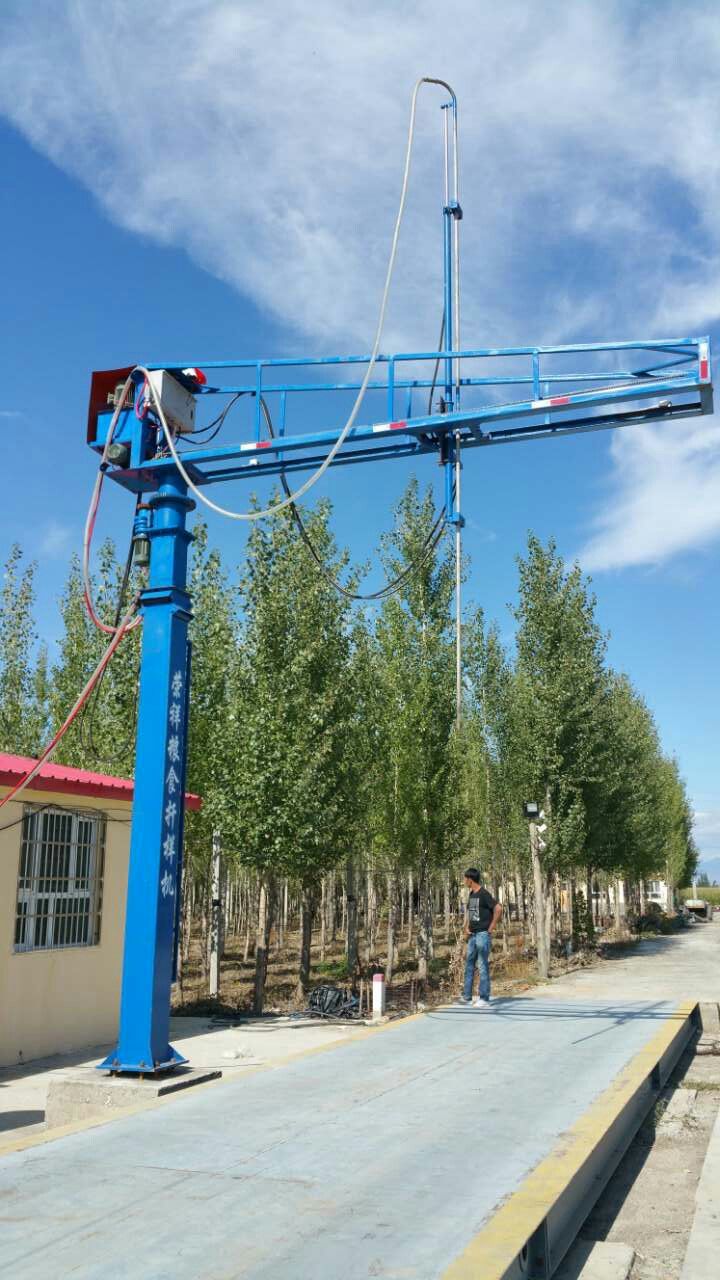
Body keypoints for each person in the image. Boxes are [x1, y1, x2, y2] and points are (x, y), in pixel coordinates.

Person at [456, 868, 502, 1010]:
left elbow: (498, 908)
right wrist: (467, 928)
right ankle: (467, 997)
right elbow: (473, 914)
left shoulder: (484, 894)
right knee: (469, 965)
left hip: (482, 935)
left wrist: (491, 927)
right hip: (473, 935)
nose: (464, 881)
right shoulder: (472, 894)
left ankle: (484, 998)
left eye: (465, 879)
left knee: (482, 965)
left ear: (470, 879)